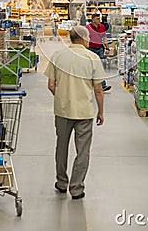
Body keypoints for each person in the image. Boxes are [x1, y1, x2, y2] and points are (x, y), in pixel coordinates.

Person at [45, 26, 105, 200]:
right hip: (84, 111)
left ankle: (61, 183)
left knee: (61, 146)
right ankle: (76, 188)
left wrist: (62, 97)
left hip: (62, 110)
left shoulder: (58, 55)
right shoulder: (92, 58)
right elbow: (98, 90)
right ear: (84, 38)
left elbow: (50, 85)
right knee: (83, 150)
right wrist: (100, 112)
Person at [86, 13, 112, 92]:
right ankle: (88, 85)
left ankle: (103, 85)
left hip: (100, 49)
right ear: (93, 19)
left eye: (99, 18)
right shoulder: (87, 27)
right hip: (90, 49)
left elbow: (104, 38)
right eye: (97, 19)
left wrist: (107, 47)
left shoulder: (102, 27)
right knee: (90, 68)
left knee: (100, 67)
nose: (99, 20)